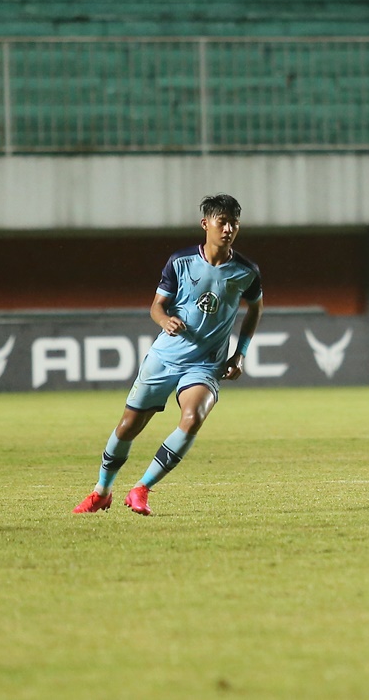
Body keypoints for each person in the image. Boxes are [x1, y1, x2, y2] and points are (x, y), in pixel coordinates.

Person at [73, 194, 263, 516]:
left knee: (192, 419)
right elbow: (156, 306)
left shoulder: (246, 271)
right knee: (128, 426)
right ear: (206, 224)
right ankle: (101, 492)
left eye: (234, 223)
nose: (228, 228)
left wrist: (240, 354)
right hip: (165, 357)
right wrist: (164, 320)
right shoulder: (180, 261)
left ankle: (141, 489)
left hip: (205, 364)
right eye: (222, 222)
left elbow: (255, 309)